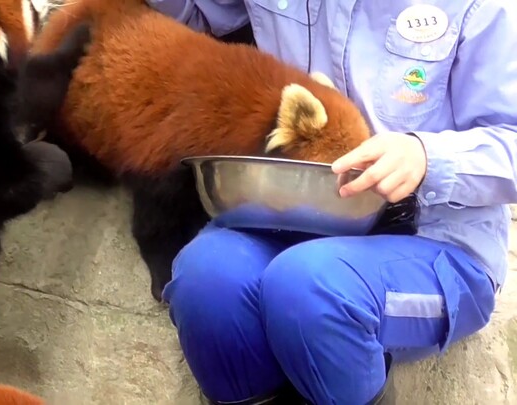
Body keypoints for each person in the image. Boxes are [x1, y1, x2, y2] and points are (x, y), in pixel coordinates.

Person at [144, 1, 517, 404]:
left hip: (433, 238)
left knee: (311, 288)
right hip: (291, 219)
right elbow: (193, 12)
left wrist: (427, 157)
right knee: (207, 280)